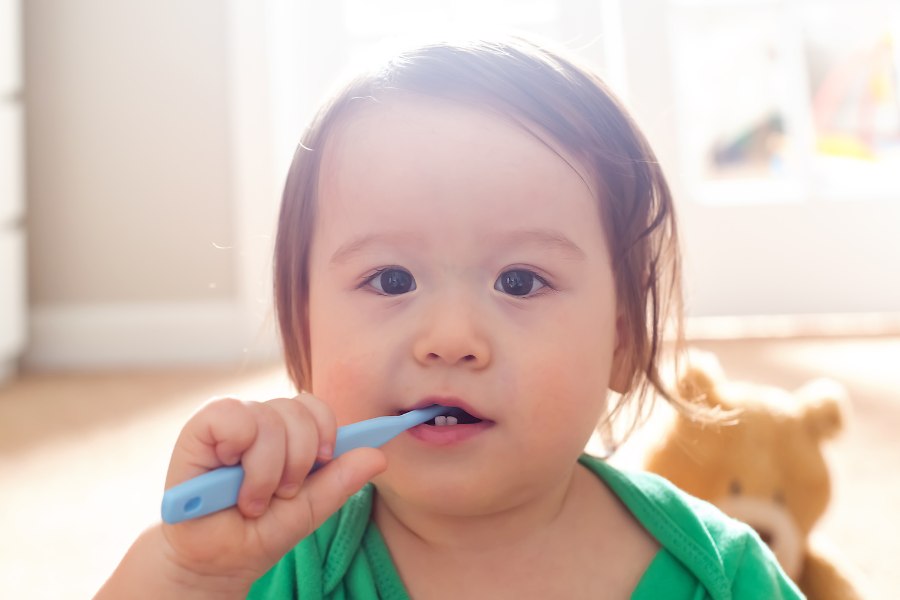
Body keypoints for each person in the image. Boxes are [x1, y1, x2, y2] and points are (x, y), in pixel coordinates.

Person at [97, 35, 802, 599]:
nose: (451, 340)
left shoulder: (723, 572)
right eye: (392, 279)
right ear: (302, 330)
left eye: (520, 281)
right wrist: (189, 575)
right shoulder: (269, 561)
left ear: (622, 340)